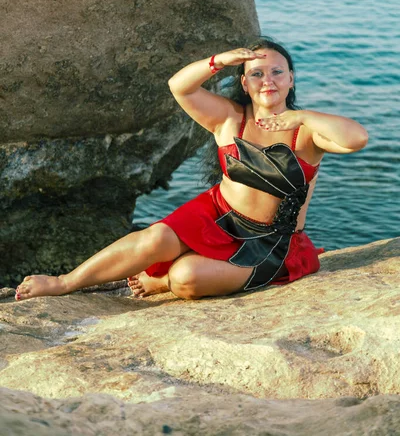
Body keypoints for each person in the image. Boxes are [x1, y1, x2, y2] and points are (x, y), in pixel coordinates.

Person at [15, 38, 368, 301]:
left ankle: (160, 281)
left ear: (291, 78)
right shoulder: (229, 117)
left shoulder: (309, 132)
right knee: (153, 238)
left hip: (271, 244)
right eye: (256, 74)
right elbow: (179, 86)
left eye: (277, 72)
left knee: (185, 278)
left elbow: (357, 139)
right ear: (244, 83)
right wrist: (220, 60)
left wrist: (302, 115)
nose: (267, 81)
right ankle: (65, 282)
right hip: (218, 214)